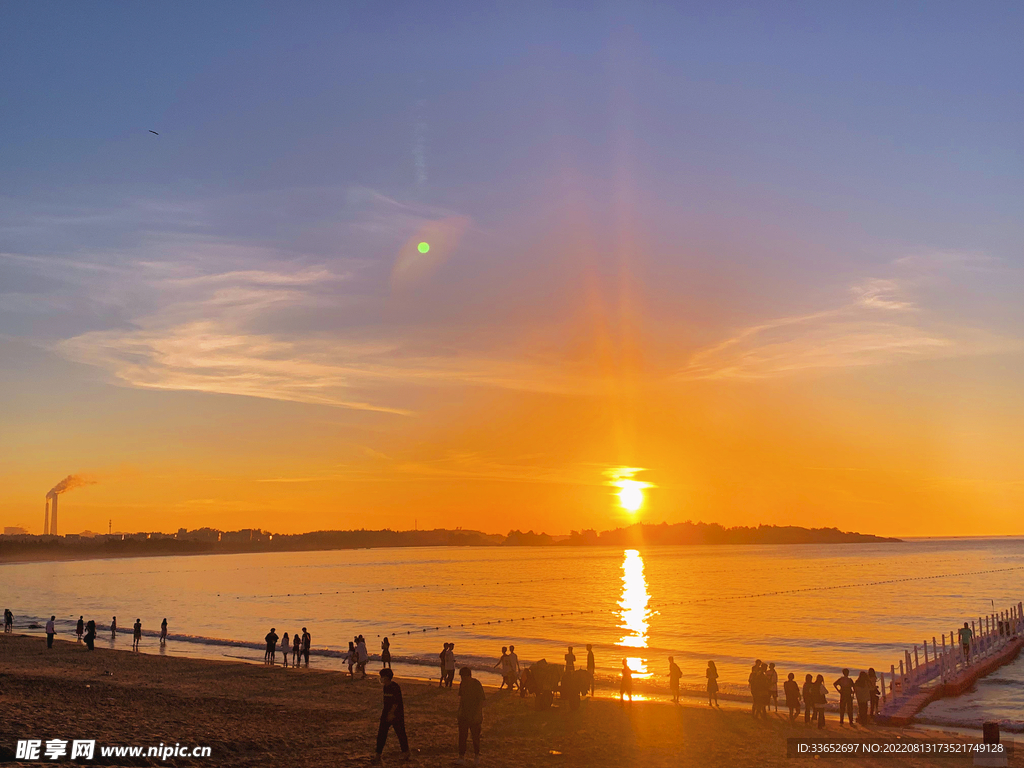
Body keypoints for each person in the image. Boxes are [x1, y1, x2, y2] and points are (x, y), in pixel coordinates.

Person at [372, 668, 410, 765]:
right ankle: (378, 754)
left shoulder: (395, 687)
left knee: (400, 733)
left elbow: (396, 702)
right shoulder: (385, 687)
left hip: (397, 714)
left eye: (382, 677)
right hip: (386, 713)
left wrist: (391, 713)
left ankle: (406, 752)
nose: (381, 679)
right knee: (381, 733)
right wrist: (386, 714)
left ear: (387, 677)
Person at [457, 666, 485, 766]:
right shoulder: (462, 684)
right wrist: (459, 711)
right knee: (462, 736)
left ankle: (476, 756)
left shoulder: (476, 684)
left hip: (474, 714)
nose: (462, 679)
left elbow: (481, 701)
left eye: (463, 677)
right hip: (464, 714)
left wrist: (478, 714)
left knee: (475, 737)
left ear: (468, 676)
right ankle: (461, 756)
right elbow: (462, 699)